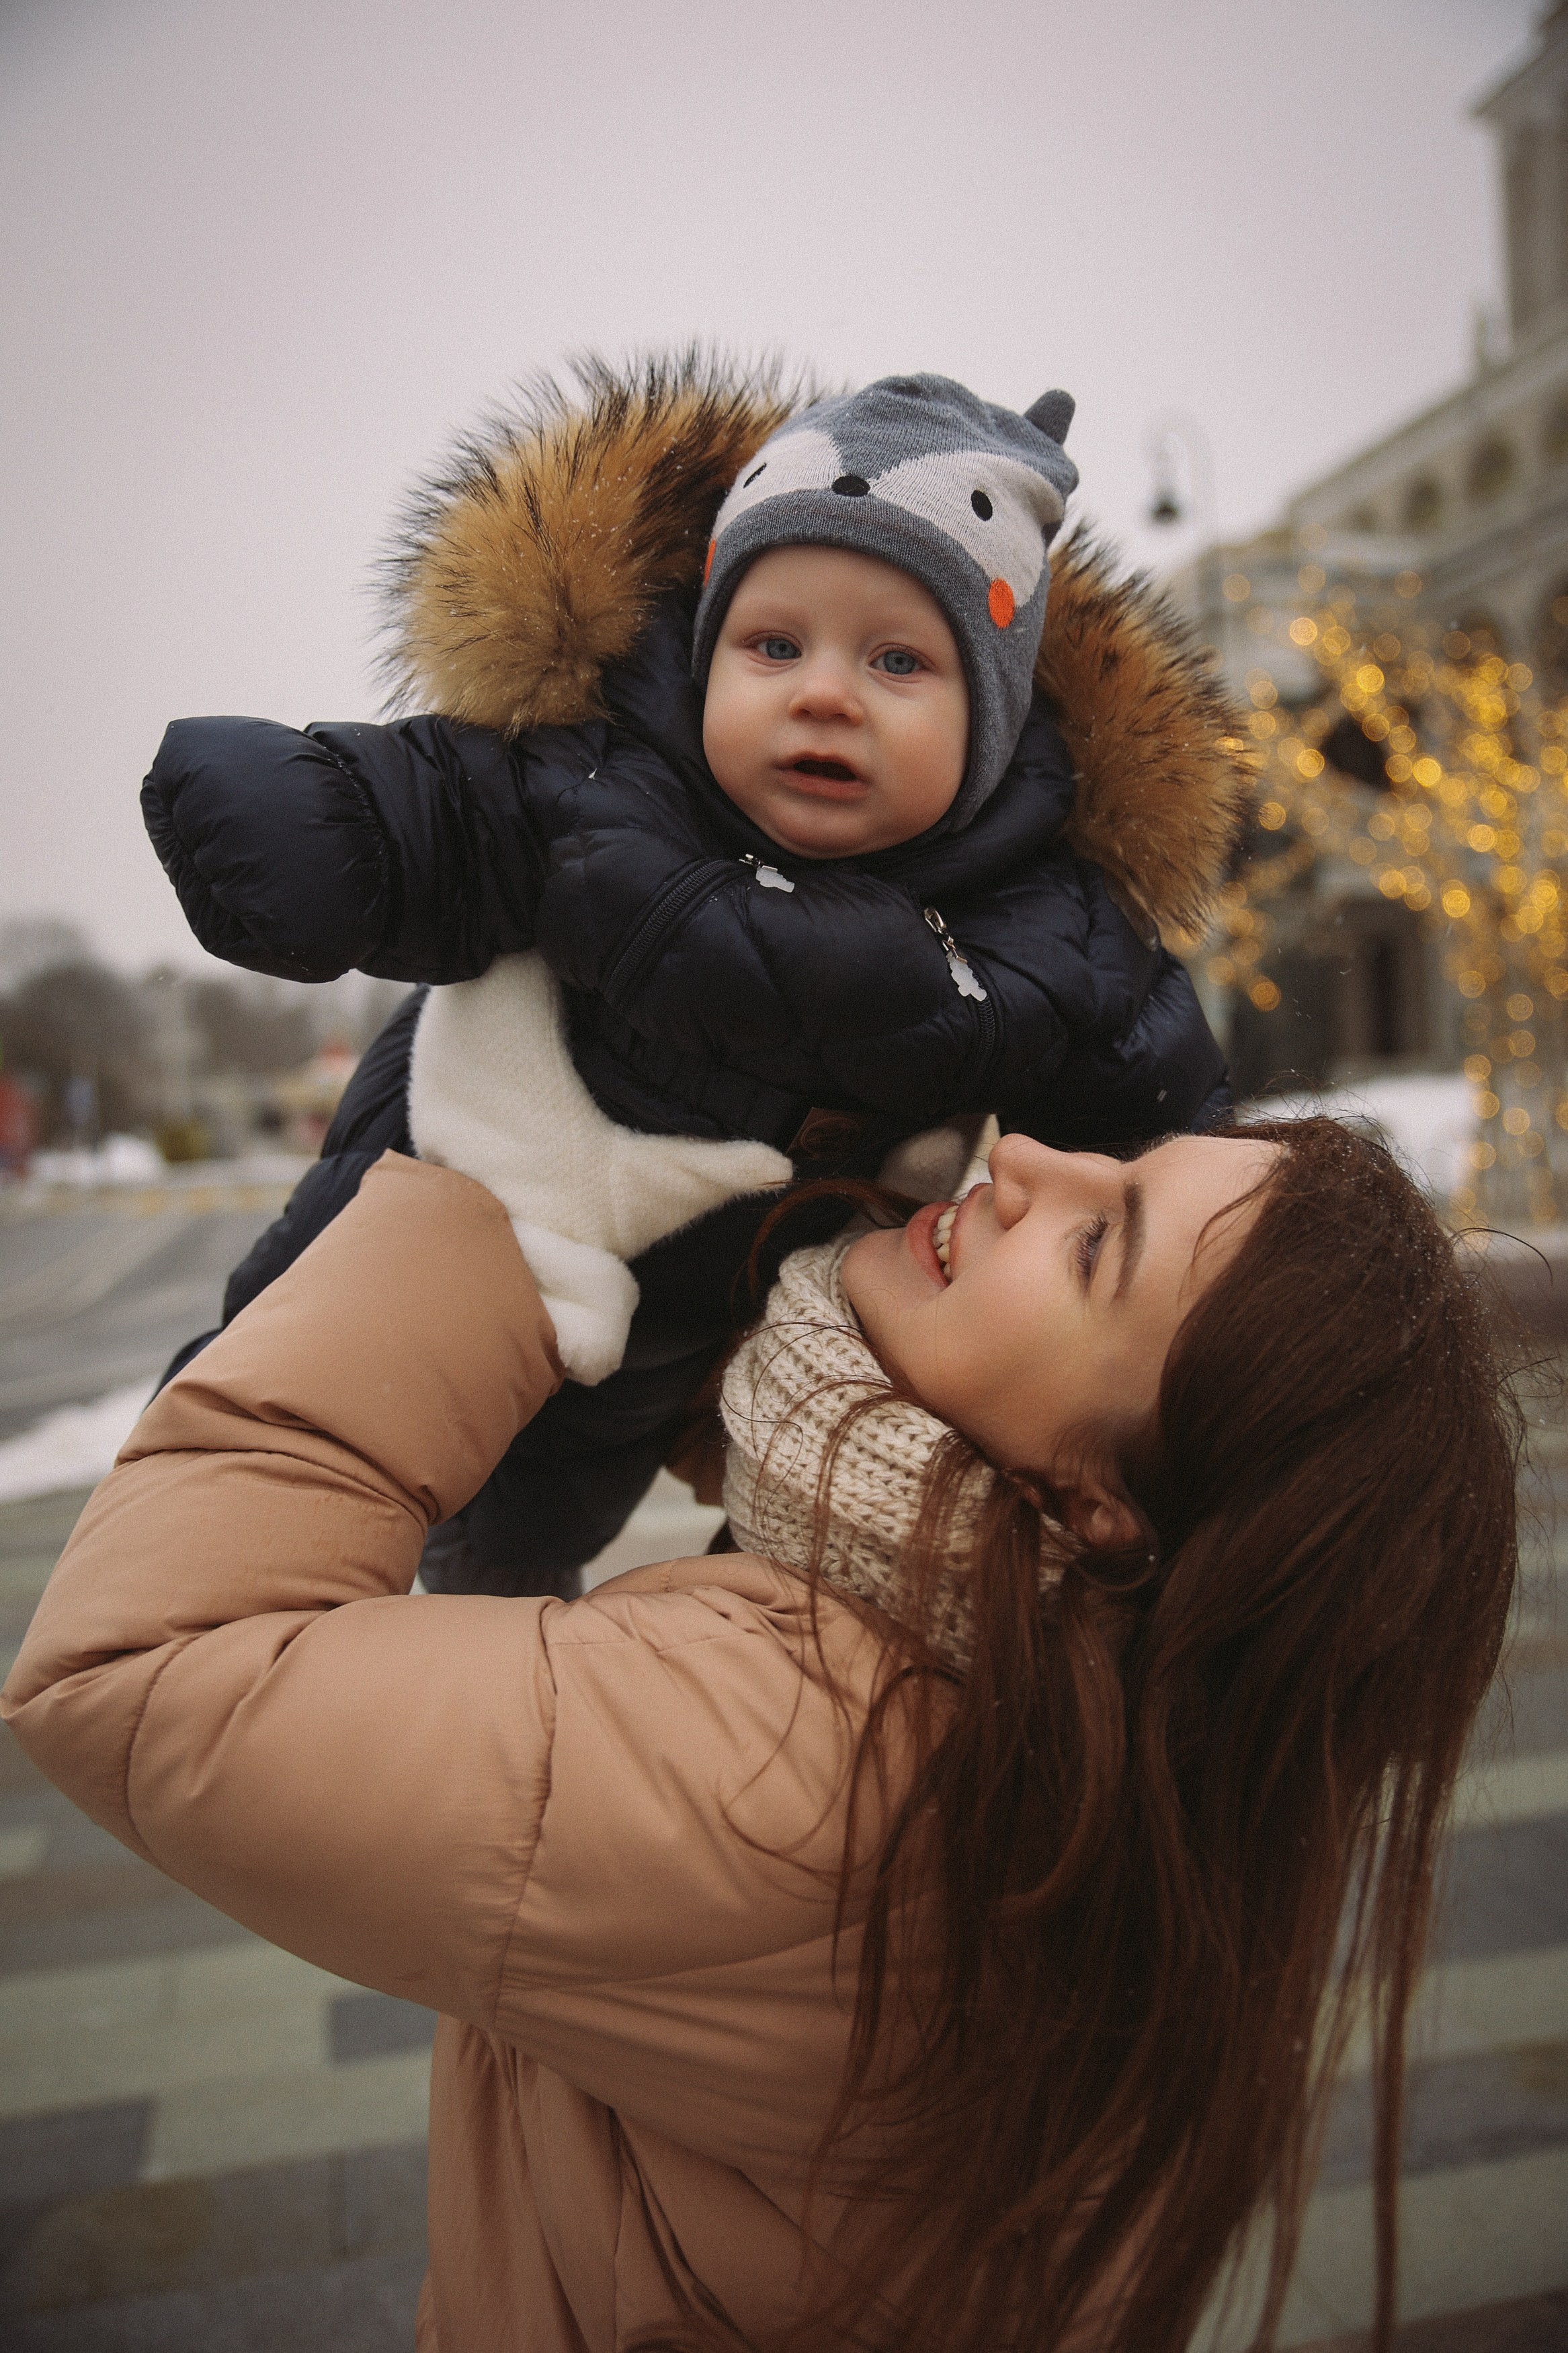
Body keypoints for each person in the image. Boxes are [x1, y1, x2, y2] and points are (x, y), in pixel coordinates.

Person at [3, 1113, 1518, 2353]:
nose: (1030, 1159)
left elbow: (145, 1664)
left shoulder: (774, 1754)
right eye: (1115, 1159)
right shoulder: (1153, 1737)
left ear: (1099, 1505)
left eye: (1094, 1238)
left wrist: (506, 1214)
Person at [139, 356, 1247, 1598]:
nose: (824, 694)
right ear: (705, 655)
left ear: (990, 729)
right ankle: (176, 1539)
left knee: (526, 1534)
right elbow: (437, 813)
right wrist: (302, 820)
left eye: (898, 664)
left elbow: (1165, 1124)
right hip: (442, 1190)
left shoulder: (1049, 932)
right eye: (775, 644)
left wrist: (1242, 1242)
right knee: (277, 1379)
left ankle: (492, 1657)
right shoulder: (598, 782)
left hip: (675, 1328)